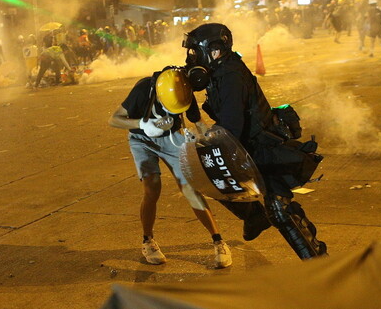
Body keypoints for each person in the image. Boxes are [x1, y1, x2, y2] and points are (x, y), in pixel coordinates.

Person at [182, 23, 326, 253]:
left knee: (278, 209)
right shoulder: (220, 71)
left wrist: (208, 142)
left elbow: (231, 126)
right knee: (276, 207)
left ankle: (318, 260)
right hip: (248, 146)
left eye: (196, 52)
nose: (192, 58)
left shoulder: (230, 76)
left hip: (261, 147)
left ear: (215, 50)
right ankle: (256, 218)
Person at [108, 67, 232, 268]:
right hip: (142, 139)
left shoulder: (184, 89)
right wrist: (142, 124)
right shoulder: (144, 88)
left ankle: (218, 241)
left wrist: (206, 138)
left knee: (190, 189)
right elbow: (114, 119)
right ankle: (147, 241)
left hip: (171, 138)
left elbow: (197, 121)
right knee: (152, 187)